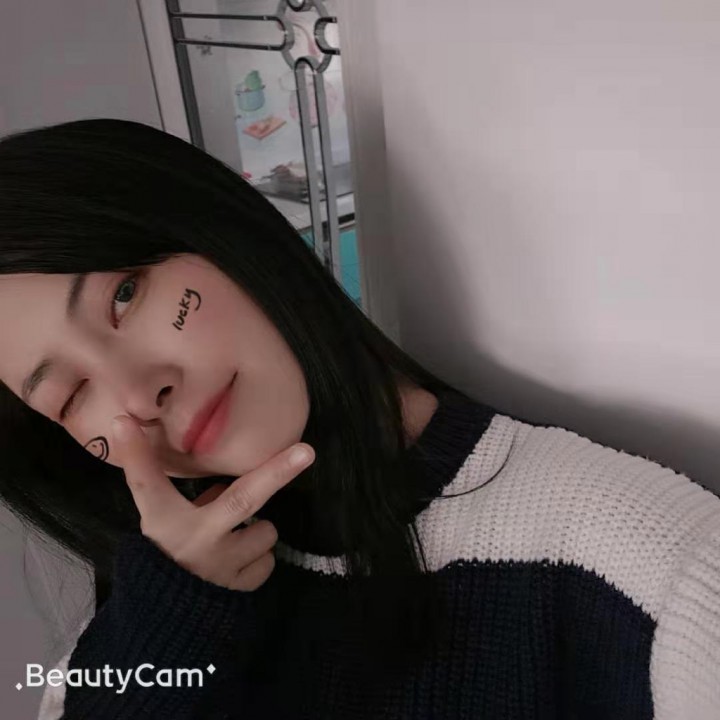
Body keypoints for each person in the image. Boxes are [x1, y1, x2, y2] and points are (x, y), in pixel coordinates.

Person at [0, 118, 717, 720]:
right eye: (70, 394)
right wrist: (165, 630)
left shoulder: (659, 566)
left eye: (125, 295)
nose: (136, 393)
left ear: (218, 226)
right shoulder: (141, 620)